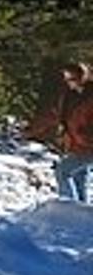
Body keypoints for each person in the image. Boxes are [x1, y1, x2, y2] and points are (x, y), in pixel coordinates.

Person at [28, 61, 93, 202]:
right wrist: (32, 130)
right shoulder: (69, 96)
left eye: (73, 79)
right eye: (67, 79)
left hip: (88, 147)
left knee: (62, 171)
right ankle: (82, 214)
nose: (70, 82)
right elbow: (55, 115)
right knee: (78, 178)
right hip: (76, 146)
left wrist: (85, 136)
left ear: (83, 77)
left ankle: (68, 208)